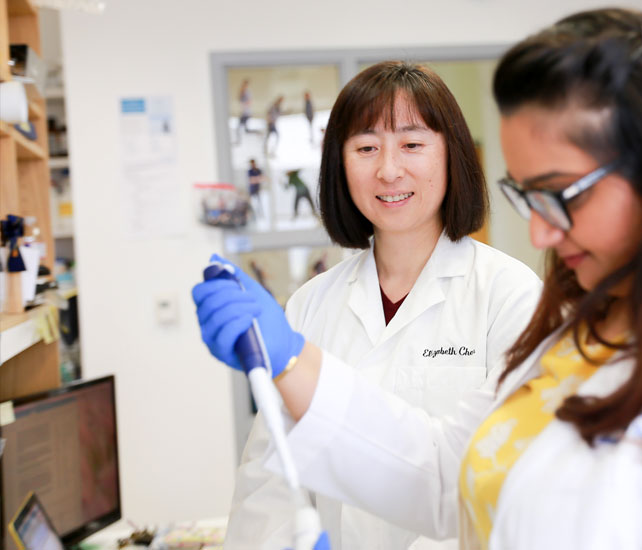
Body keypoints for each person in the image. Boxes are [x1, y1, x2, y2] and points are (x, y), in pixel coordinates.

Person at [197, 10, 642, 549]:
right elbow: (447, 472)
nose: (539, 233)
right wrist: (294, 362)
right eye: (527, 197)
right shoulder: (583, 330)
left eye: (560, 194)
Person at [192, 61, 541, 550]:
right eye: (366, 147)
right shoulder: (310, 304)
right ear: (340, 164)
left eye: (412, 144)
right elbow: (269, 479)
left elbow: (499, 482)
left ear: (452, 156)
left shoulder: (510, 296)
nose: (389, 169)